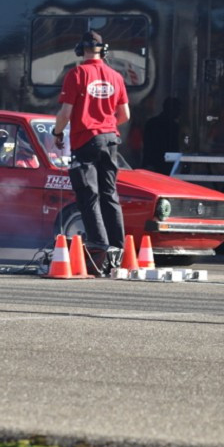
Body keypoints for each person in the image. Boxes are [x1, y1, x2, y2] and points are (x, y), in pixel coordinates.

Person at [53, 30, 130, 269]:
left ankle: (99, 248)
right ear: (103, 51)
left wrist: (57, 133)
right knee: (110, 194)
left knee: (89, 195)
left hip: (86, 139)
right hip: (111, 139)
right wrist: (105, 125)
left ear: (80, 50)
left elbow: (65, 114)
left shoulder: (76, 74)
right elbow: (125, 115)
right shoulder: (116, 76)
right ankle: (119, 248)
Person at [142, 97, 182, 174]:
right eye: (178, 109)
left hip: (152, 164)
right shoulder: (173, 126)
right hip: (164, 165)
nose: (179, 112)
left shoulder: (151, 122)